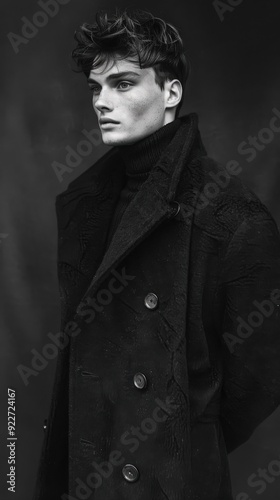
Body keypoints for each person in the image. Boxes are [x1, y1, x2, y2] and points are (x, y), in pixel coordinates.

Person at [33, 7, 280, 500]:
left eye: (123, 84)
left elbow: (261, 374)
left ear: (171, 92)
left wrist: (180, 437)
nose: (102, 101)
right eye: (96, 88)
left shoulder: (230, 214)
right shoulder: (87, 205)